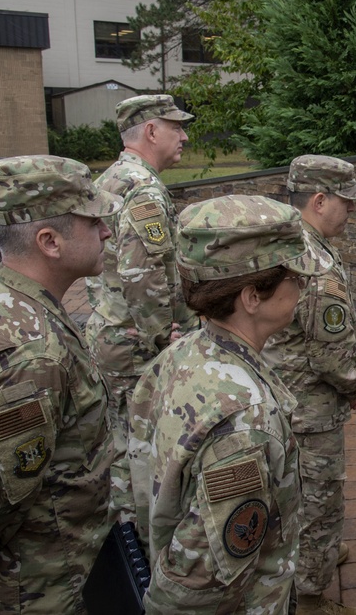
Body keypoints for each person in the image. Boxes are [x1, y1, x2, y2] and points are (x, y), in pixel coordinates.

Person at [128, 195, 330, 613]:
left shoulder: (182, 355)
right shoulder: (244, 423)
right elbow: (197, 585)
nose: (305, 286)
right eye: (297, 277)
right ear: (253, 296)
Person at [0, 155, 122, 612]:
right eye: (93, 221)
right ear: (49, 241)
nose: (106, 231)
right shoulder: (34, 354)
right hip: (29, 582)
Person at [262, 155, 356, 615]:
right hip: (310, 406)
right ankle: (309, 596)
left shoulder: (282, 239)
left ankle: (309, 562)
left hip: (279, 393)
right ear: (319, 200)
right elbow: (332, 354)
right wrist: (354, 385)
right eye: (346, 202)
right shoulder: (315, 264)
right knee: (318, 502)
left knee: (291, 493)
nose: (352, 211)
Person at [85, 93, 199, 520]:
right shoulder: (143, 190)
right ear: (151, 131)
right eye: (176, 127)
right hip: (136, 344)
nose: (184, 136)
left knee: (118, 436)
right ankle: (138, 541)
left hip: (111, 329)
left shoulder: (111, 178)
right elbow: (143, 274)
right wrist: (162, 339)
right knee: (144, 445)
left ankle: (121, 532)